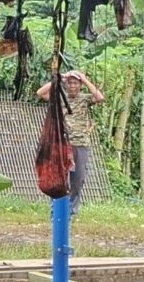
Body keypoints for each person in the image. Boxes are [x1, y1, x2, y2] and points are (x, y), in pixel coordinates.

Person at [32, 67, 104, 203]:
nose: (72, 86)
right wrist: (58, 78)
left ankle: (72, 211)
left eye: (76, 83)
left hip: (81, 144)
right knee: (59, 178)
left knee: (78, 179)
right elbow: (40, 93)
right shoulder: (60, 97)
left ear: (80, 85)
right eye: (70, 83)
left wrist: (84, 78)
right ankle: (57, 209)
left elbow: (99, 97)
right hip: (62, 145)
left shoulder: (85, 99)